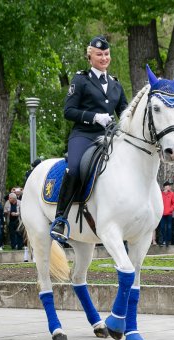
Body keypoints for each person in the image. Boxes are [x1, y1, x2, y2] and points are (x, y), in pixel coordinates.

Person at [51, 35, 128, 242]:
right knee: (74, 168)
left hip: (108, 136)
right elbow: (68, 111)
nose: (104, 58)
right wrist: (94, 117)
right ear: (90, 56)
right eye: (99, 54)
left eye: (106, 54)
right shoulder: (81, 80)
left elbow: (125, 114)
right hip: (84, 135)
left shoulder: (116, 85)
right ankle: (60, 219)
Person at [158, 181, 174, 246]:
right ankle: (161, 241)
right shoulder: (160, 194)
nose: (170, 187)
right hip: (162, 214)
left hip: (169, 214)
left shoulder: (172, 194)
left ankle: (168, 241)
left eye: (170, 186)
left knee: (169, 227)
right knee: (162, 227)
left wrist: (170, 210)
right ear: (165, 186)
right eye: (169, 185)